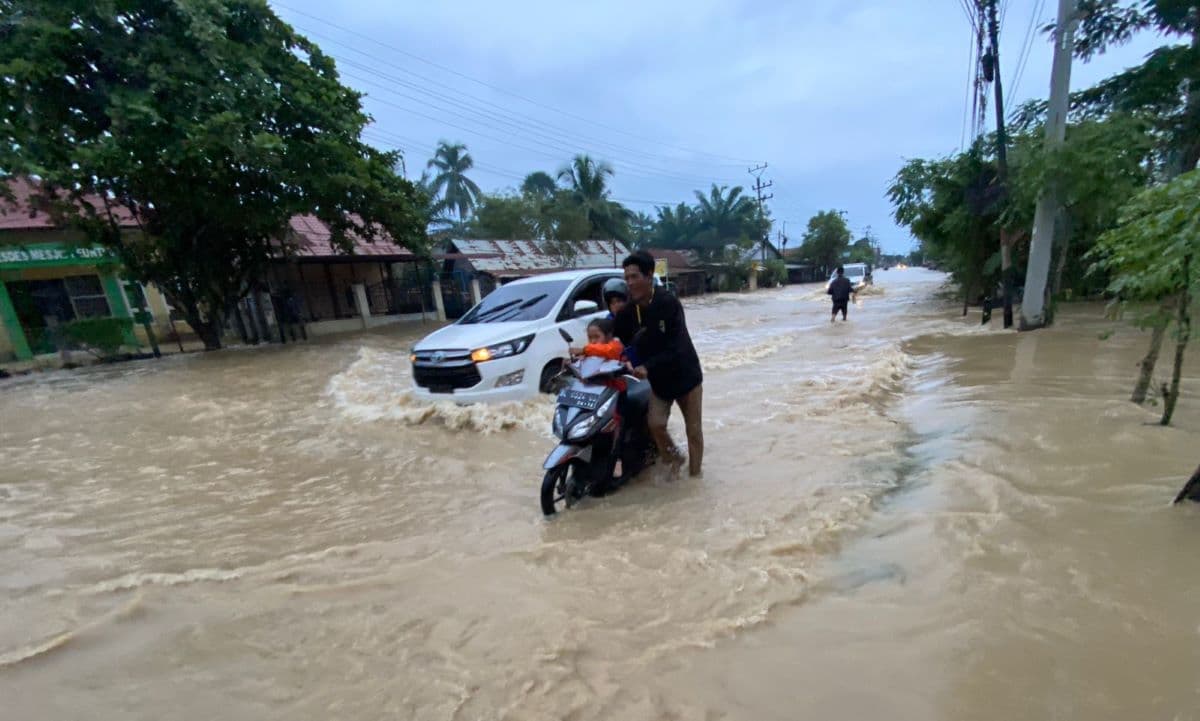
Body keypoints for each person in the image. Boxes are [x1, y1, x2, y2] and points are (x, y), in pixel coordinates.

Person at [614, 250, 704, 477]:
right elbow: (616, 340)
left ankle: (695, 478)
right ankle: (674, 458)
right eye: (627, 278)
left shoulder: (668, 303)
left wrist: (647, 366)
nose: (630, 283)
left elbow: (677, 347)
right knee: (655, 424)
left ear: (649, 275)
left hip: (686, 377)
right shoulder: (628, 313)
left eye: (634, 277)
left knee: (693, 431)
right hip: (660, 382)